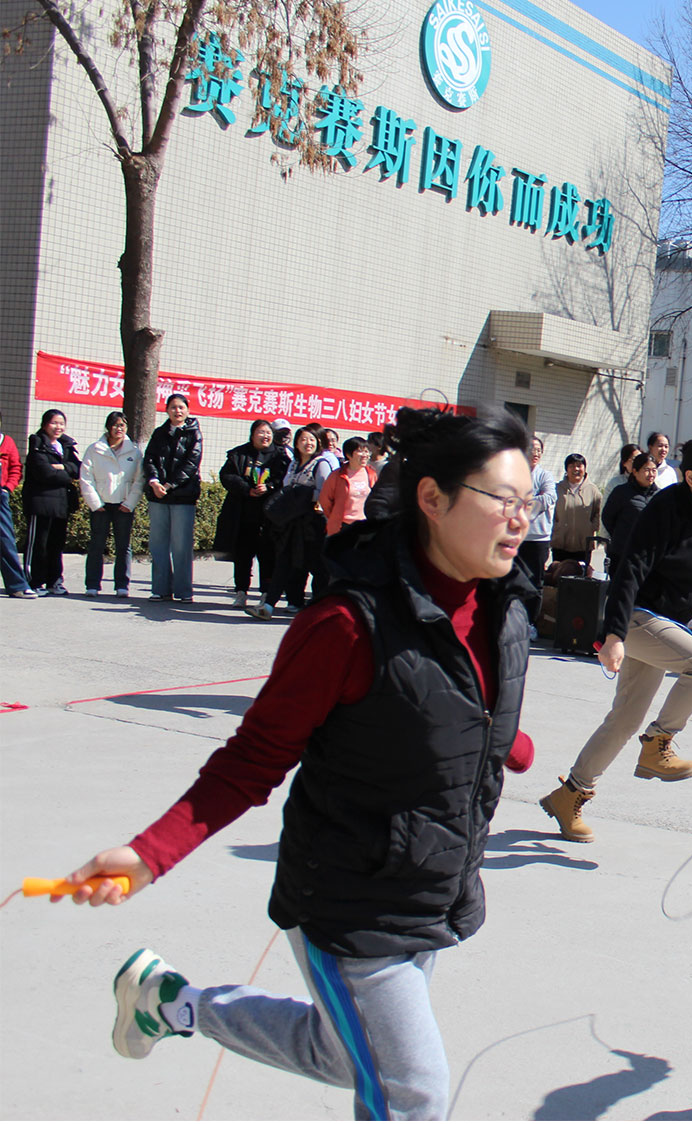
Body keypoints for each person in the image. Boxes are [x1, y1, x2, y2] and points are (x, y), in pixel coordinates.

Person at [53, 405, 539, 1121]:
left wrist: (503, 741)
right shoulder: (345, 628)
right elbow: (251, 760)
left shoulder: (503, 607)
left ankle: (168, 1001)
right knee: (413, 1093)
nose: (521, 520)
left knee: (339, 1051)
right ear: (432, 499)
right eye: (503, 500)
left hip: (434, 886)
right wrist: (148, 854)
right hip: (349, 900)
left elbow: (474, 707)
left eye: (528, 501)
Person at [540, 436, 692, 843]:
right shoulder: (665, 508)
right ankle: (658, 744)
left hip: (669, 625)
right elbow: (631, 569)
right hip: (639, 617)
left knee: (624, 719)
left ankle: (569, 795)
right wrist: (614, 635)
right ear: (691, 477)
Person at [251, 425, 335, 620]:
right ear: (296, 443)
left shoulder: (321, 464)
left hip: (312, 524)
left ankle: (323, 607)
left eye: (312, 440)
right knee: (284, 562)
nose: (308, 443)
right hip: (292, 523)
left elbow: (325, 494)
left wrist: (302, 495)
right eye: (304, 439)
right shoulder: (293, 464)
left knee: (317, 567)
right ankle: (269, 606)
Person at [215, 420, 286, 609]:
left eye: (268, 433)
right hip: (243, 516)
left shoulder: (280, 457)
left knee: (268, 556)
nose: (265, 436)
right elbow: (227, 476)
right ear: (252, 434)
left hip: (269, 518)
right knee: (242, 556)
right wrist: (247, 489)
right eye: (261, 432)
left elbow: (283, 480)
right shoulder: (239, 454)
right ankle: (241, 592)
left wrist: (269, 486)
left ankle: (265, 593)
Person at [143, 394, 202, 603]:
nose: (177, 411)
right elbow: (149, 458)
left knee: (181, 546)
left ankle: (184, 591)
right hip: (158, 496)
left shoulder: (194, 434)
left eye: (181, 407)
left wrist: (169, 485)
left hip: (183, 497)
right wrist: (154, 481)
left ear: (187, 410)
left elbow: (191, 463)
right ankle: (160, 589)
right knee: (158, 544)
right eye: (173, 407)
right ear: (167, 410)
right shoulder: (159, 433)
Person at [79, 411, 145, 598]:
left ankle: (122, 585)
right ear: (108, 427)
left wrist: (130, 503)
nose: (119, 429)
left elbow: (139, 480)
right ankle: (92, 584)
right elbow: (86, 477)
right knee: (96, 545)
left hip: (123, 505)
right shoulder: (94, 449)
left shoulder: (134, 451)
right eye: (116, 425)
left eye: (123, 425)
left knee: (123, 546)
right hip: (101, 505)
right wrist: (95, 503)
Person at [22, 408, 82, 595]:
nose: (58, 427)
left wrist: (61, 467)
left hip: (61, 504)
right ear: (45, 424)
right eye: (54, 423)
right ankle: (34, 581)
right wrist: (66, 474)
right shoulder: (38, 444)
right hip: (40, 502)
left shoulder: (66, 446)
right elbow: (44, 472)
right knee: (38, 543)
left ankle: (54, 581)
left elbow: (78, 469)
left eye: (61, 423)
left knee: (56, 544)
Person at [600, 451, 657, 571]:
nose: (651, 474)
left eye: (654, 470)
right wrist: (621, 535)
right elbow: (607, 517)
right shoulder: (621, 492)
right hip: (622, 553)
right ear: (635, 471)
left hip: (647, 555)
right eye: (646, 470)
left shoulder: (659, 495)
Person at [0, 406, 34, 597]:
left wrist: (7, 488)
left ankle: (17, 585)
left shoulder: (7, 442)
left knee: (6, 541)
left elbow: (16, 468)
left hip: (0, 498)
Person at [517, 436, 556, 598]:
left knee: (536, 582)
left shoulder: (545, 475)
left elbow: (549, 497)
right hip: (518, 536)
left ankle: (532, 620)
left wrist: (523, 503)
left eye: (539, 450)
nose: (536, 453)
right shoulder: (516, 474)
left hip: (539, 538)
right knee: (516, 580)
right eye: (533, 449)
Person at [317, 437, 377, 537]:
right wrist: (335, 516)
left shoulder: (371, 474)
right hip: (342, 526)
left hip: (365, 525)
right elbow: (325, 500)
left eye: (367, 451)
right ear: (349, 455)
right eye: (360, 451)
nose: (365, 455)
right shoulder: (336, 475)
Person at [551, 453, 602, 567]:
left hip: (583, 545)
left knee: (580, 580)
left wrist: (591, 527)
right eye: (572, 466)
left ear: (585, 468)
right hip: (560, 543)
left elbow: (598, 513)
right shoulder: (557, 489)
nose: (576, 469)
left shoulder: (593, 491)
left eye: (579, 465)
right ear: (566, 469)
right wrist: (556, 527)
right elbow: (551, 513)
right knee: (559, 577)